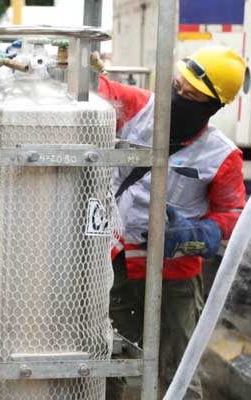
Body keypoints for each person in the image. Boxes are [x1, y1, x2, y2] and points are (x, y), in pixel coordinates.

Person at [99, 46, 247, 399]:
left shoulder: (221, 155)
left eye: (191, 96)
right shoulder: (136, 108)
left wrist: (198, 234)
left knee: (178, 370)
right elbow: (96, 92)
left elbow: (232, 215)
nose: (178, 97)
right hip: (115, 262)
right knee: (106, 359)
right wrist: (87, 69)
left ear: (212, 107)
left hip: (175, 276)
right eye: (177, 86)